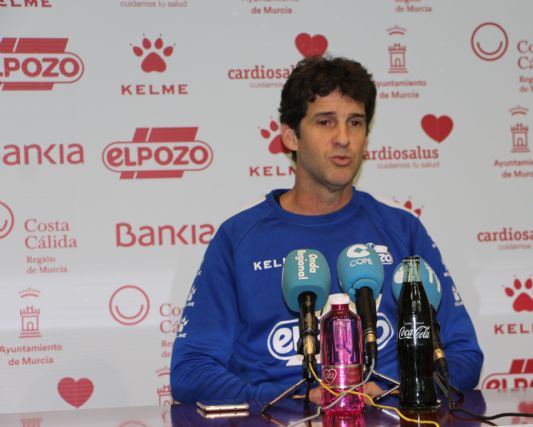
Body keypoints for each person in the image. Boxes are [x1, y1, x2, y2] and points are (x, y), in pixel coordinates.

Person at [170, 56, 483, 405]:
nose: (343, 138)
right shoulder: (238, 237)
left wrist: (397, 390)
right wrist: (291, 400)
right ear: (291, 136)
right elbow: (190, 372)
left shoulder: (403, 229)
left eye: (355, 122)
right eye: (325, 122)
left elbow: (462, 354)